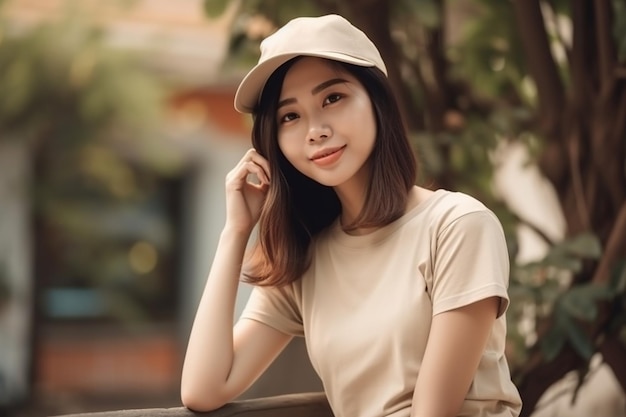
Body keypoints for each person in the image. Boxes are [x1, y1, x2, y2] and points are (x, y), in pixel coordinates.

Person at [181, 14, 522, 417]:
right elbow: (203, 389)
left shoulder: (457, 226)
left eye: (332, 98)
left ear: (378, 103)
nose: (315, 130)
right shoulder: (307, 256)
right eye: (290, 116)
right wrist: (235, 231)